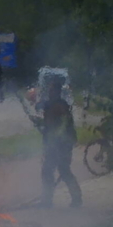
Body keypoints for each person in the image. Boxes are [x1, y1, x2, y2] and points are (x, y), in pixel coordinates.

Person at [33, 76, 82, 209]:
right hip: (55, 143)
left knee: (62, 170)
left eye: (51, 90)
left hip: (61, 144)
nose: (49, 93)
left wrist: (55, 140)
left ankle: (75, 199)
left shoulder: (60, 106)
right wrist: (40, 123)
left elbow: (62, 126)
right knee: (49, 170)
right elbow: (50, 123)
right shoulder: (53, 105)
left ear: (56, 91)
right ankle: (47, 200)